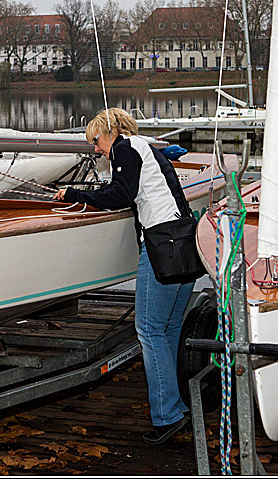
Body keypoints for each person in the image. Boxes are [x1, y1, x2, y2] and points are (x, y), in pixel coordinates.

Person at [53, 107, 195, 445]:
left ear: (110, 131)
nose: (98, 149)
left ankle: (166, 417)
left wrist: (74, 195)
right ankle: (177, 407)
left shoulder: (125, 149)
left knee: (148, 330)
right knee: (169, 328)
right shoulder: (148, 148)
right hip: (187, 242)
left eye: (97, 141)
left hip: (162, 245)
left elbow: (120, 194)